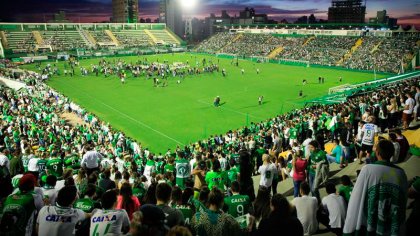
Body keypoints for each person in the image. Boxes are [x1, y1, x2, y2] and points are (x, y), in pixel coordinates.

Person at [343, 140, 408, 235]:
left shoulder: (367, 169)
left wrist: (350, 226)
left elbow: (356, 197)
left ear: (377, 152)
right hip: (390, 226)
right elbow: (402, 200)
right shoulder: (401, 173)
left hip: (371, 224)